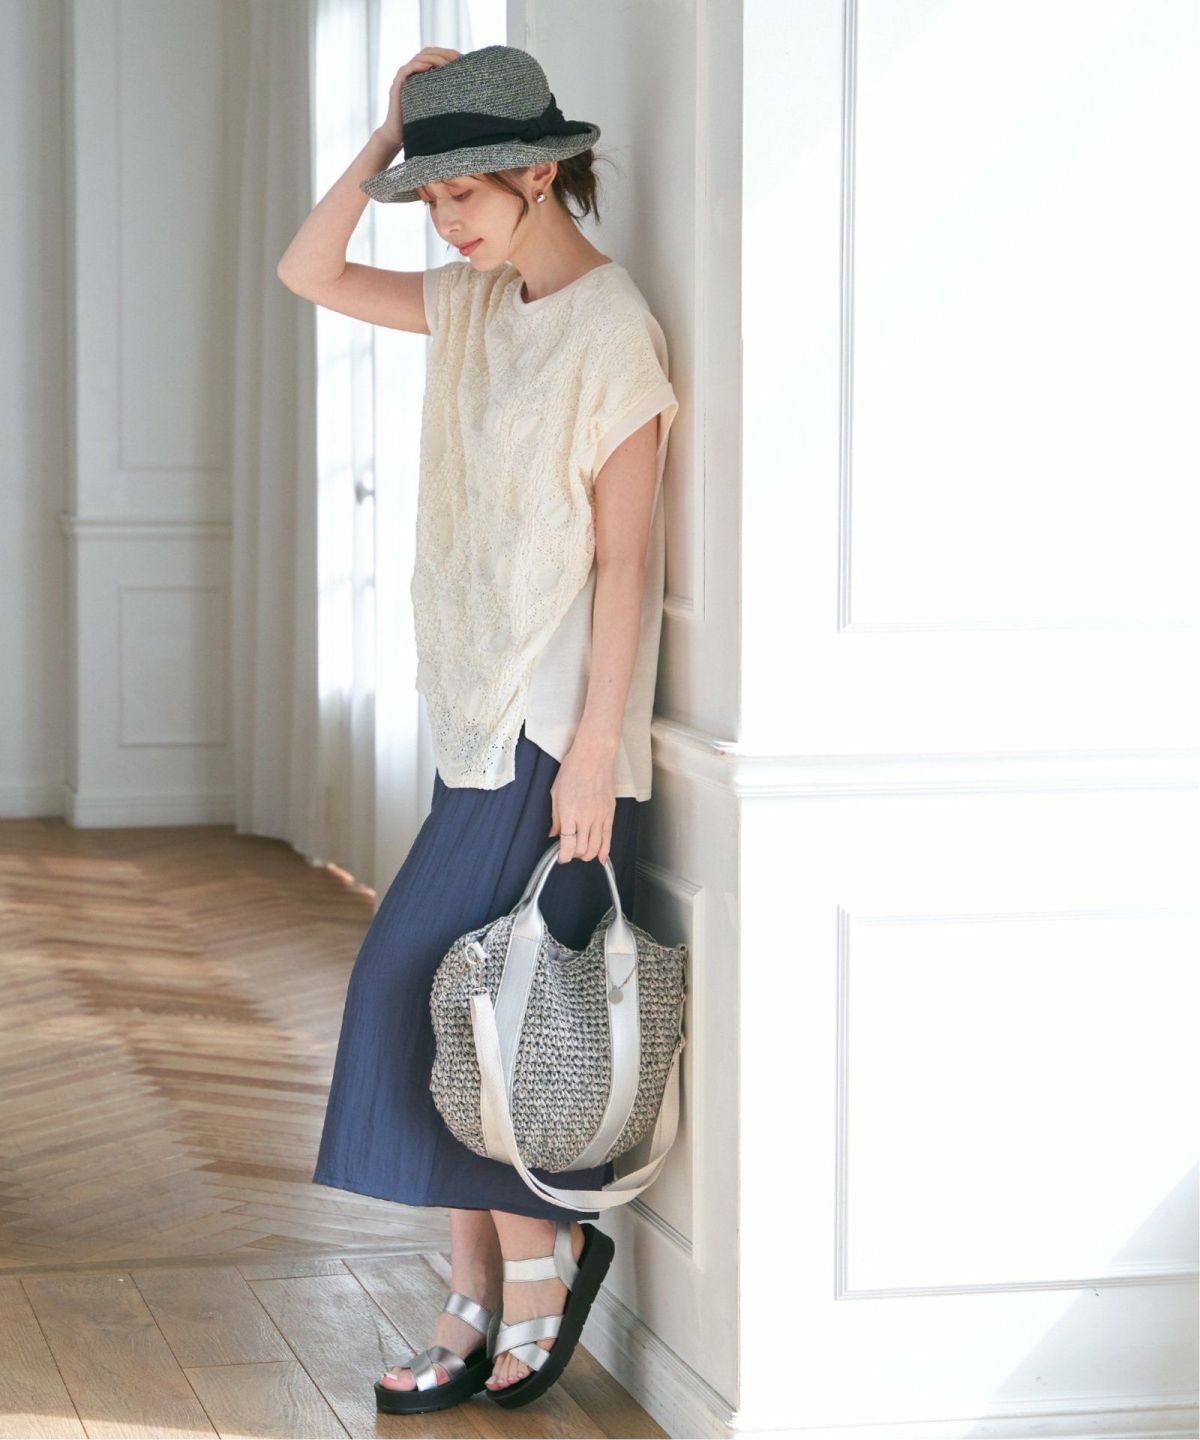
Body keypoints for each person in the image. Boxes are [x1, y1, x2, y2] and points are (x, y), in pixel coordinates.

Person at [276, 42, 679, 1414]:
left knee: (434, 994)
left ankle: (536, 1270)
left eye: (465, 193)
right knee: (454, 1014)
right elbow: (310, 272)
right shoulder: (473, 305)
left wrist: (594, 753)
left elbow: (627, 562)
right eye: (433, 197)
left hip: (553, 737)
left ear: (544, 170)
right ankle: (476, 1291)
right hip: (475, 725)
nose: (445, 222)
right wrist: (385, 139)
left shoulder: (613, 329)